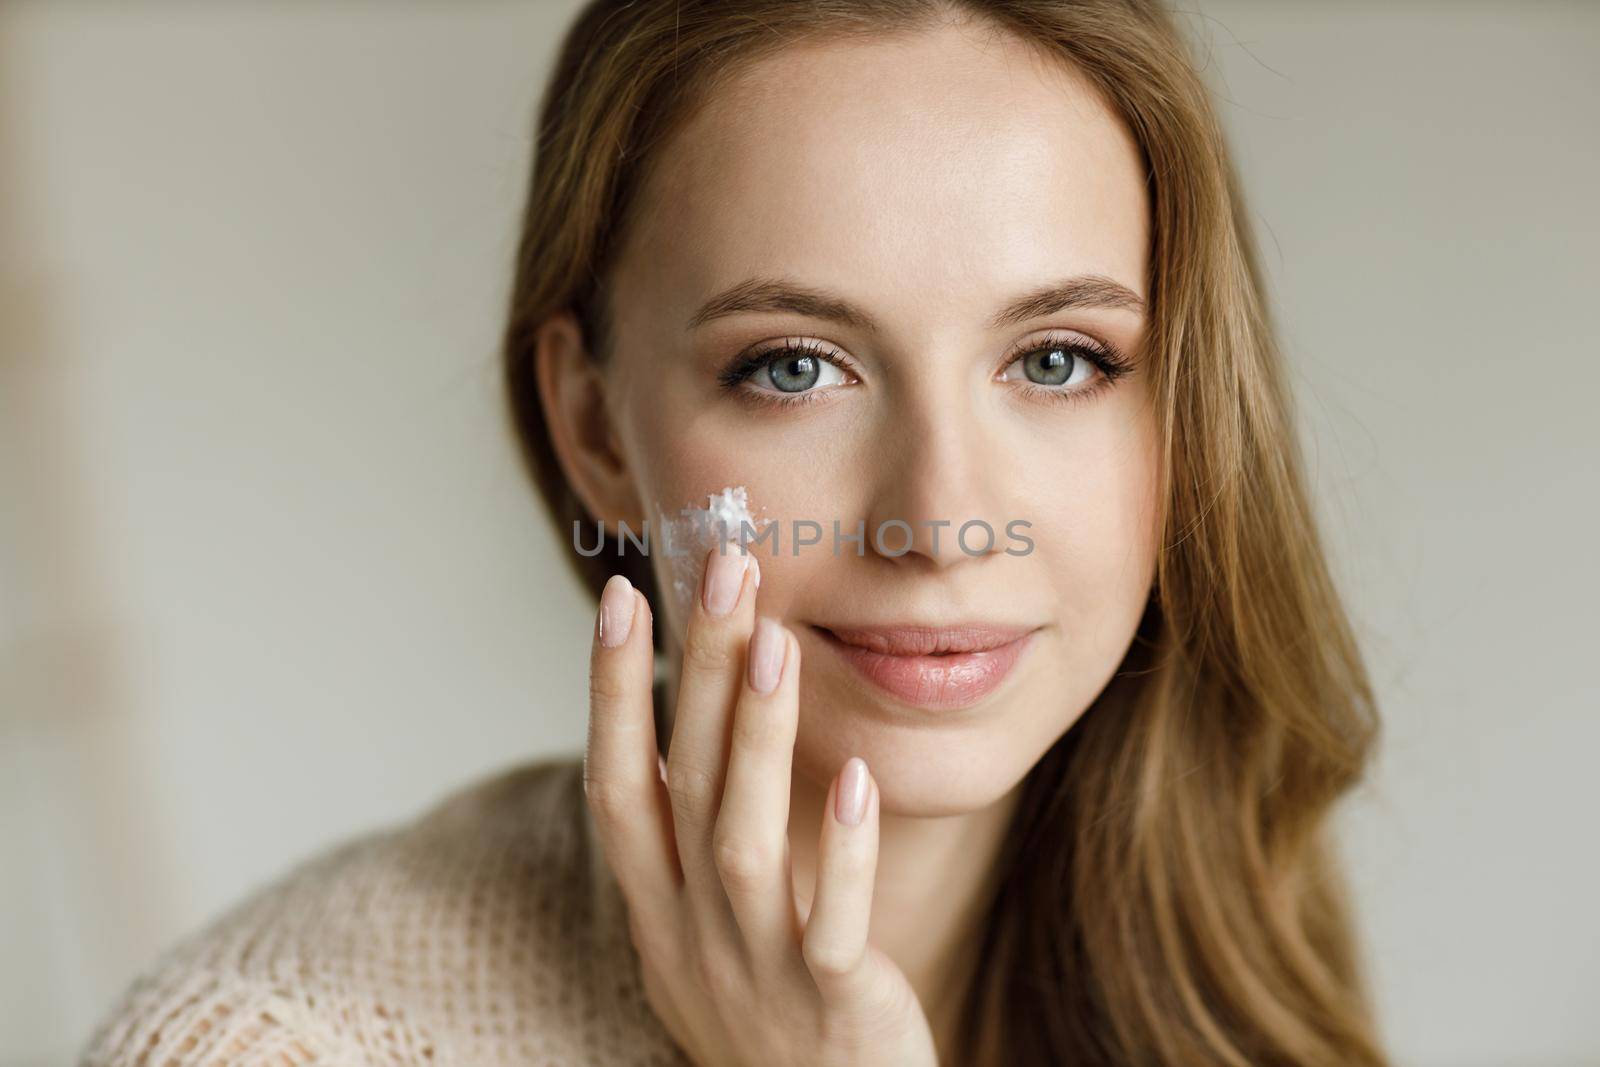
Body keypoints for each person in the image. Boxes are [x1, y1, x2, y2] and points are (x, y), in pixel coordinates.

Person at [81, 1, 1391, 1064]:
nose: (940, 522)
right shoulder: (274, 1047)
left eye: (1055, 361)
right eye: (793, 368)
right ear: (594, 431)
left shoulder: (1229, 958)